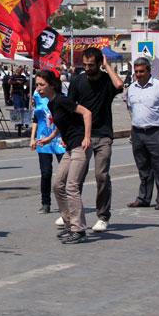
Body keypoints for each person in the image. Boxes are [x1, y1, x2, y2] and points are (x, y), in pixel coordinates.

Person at [66, 47, 124, 233]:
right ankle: (73, 215)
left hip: (104, 134)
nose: (87, 68)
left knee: (102, 175)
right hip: (83, 136)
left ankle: (103, 216)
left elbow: (119, 86)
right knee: (77, 177)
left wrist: (108, 67)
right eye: (85, 64)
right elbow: (70, 108)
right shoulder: (77, 81)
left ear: (99, 64)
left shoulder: (107, 80)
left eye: (91, 65)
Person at [35, 69, 92, 244]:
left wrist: (87, 137)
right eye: (37, 85)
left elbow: (86, 113)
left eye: (42, 85)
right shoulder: (51, 103)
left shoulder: (62, 100)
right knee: (58, 185)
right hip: (69, 148)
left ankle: (78, 229)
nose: (38, 89)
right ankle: (69, 224)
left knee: (71, 187)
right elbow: (62, 122)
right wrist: (50, 137)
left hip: (79, 147)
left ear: (52, 85)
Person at [126, 57, 159, 210]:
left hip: (156, 131)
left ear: (149, 71)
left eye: (142, 71)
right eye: (136, 72)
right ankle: (143, 198)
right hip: (137, 132)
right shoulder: (132, 88)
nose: (139, 74)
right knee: (143, 168)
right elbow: (131, 108)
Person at [30, 90, 65, 214]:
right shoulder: (39, 98)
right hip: (43, 139)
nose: (39, 88)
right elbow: (36, 119)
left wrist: (65, 137)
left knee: (65, 173)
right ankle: (45, 203)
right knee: (45, 173)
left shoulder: (62, 97)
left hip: (60, 139)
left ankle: (66, 202)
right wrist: (32, 138)